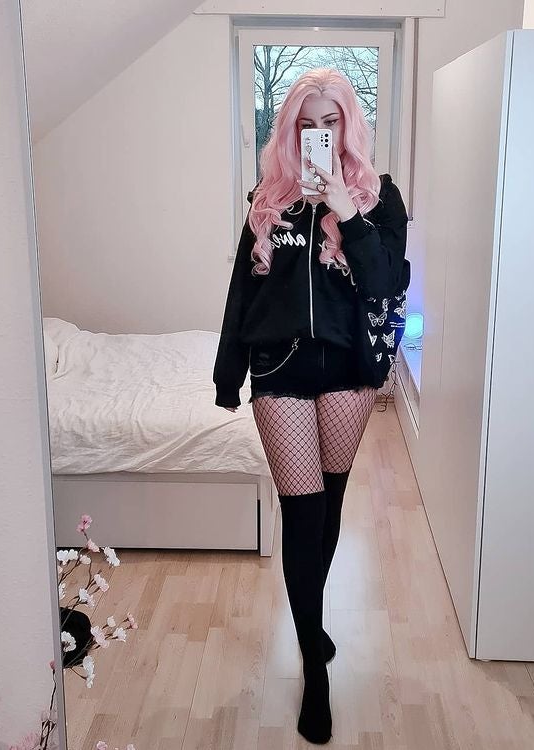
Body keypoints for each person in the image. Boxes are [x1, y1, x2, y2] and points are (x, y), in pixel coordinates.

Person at [213, 67, 408, 745]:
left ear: (348, 126)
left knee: (329, 505)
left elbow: (385, 282)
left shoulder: (380, 199)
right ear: (289, 131)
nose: (318, 136)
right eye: (306, 125)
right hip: (281, 370)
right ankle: (313, 667)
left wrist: (346, 212)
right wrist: (228, 373)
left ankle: (312, 618)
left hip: (349, 372)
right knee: (302, 513)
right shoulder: (269, 199)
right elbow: (243, 290)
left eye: (330, 123)